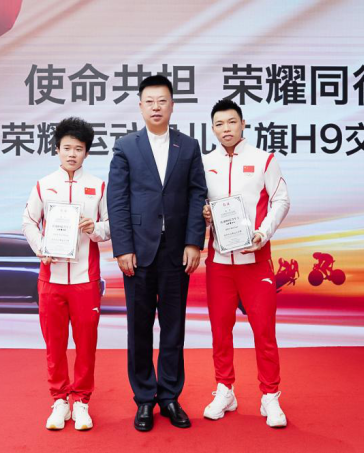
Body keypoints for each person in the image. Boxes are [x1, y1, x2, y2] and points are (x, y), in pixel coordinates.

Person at [107, 75, 207, 432]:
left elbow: (197, 194)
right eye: (149, 101)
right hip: (138, 251)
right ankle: (145, 399)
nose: (156, 107)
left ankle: (169, 396)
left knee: (173, 326)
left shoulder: (188, 146)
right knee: (139, 327)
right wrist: (123, 248)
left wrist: (194, 242)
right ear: (140, 106)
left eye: (162, 101)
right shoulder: (126, 146)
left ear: (172, 105)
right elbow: (117, 200)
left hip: (177, 250)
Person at [201, 99, 290, 428]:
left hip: (255, 260)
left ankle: (270, 395)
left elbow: (282, 199)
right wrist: (202, 212)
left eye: (231, 122)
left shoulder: (264, 159)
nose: (226, 129)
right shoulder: (204, 163)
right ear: (213, 129)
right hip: (219, 262)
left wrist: (263, 233)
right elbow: (196, 202)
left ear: (243, 124)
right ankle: (225, 389)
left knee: (264, 330)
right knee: (220, 330)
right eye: (219, 124)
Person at [22, 117, 110, 431]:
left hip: (86, 280)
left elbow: (110, 227)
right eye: (67, 148)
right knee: (55, 345)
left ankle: (82, 401)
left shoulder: (98, 186)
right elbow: (29, 222)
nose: (72, 154)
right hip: (51, 280)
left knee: (86, 345)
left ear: (87, 152)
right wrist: (40, 247)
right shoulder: (44, 185)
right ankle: (60, 400)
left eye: (79, 148)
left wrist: (94, 228)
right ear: (57, 149)